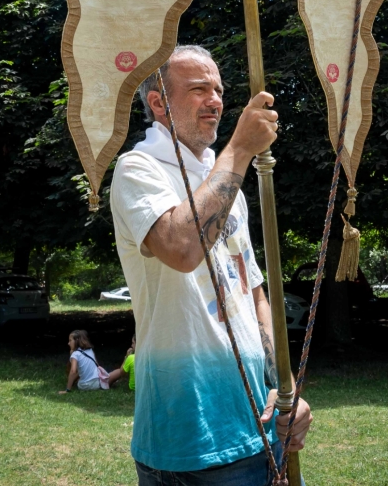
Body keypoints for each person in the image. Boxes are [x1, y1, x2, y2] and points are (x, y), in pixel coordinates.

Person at [110, 44, 312, 484]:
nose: (216, 100)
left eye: (219, 90)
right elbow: (181, 248)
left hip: (259, 426)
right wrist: (240, 148)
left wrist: (286, 387)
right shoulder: (137, 168)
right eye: (199, 89)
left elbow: (252, 290)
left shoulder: (226, 183)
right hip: (189, 440)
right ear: (159, 102)